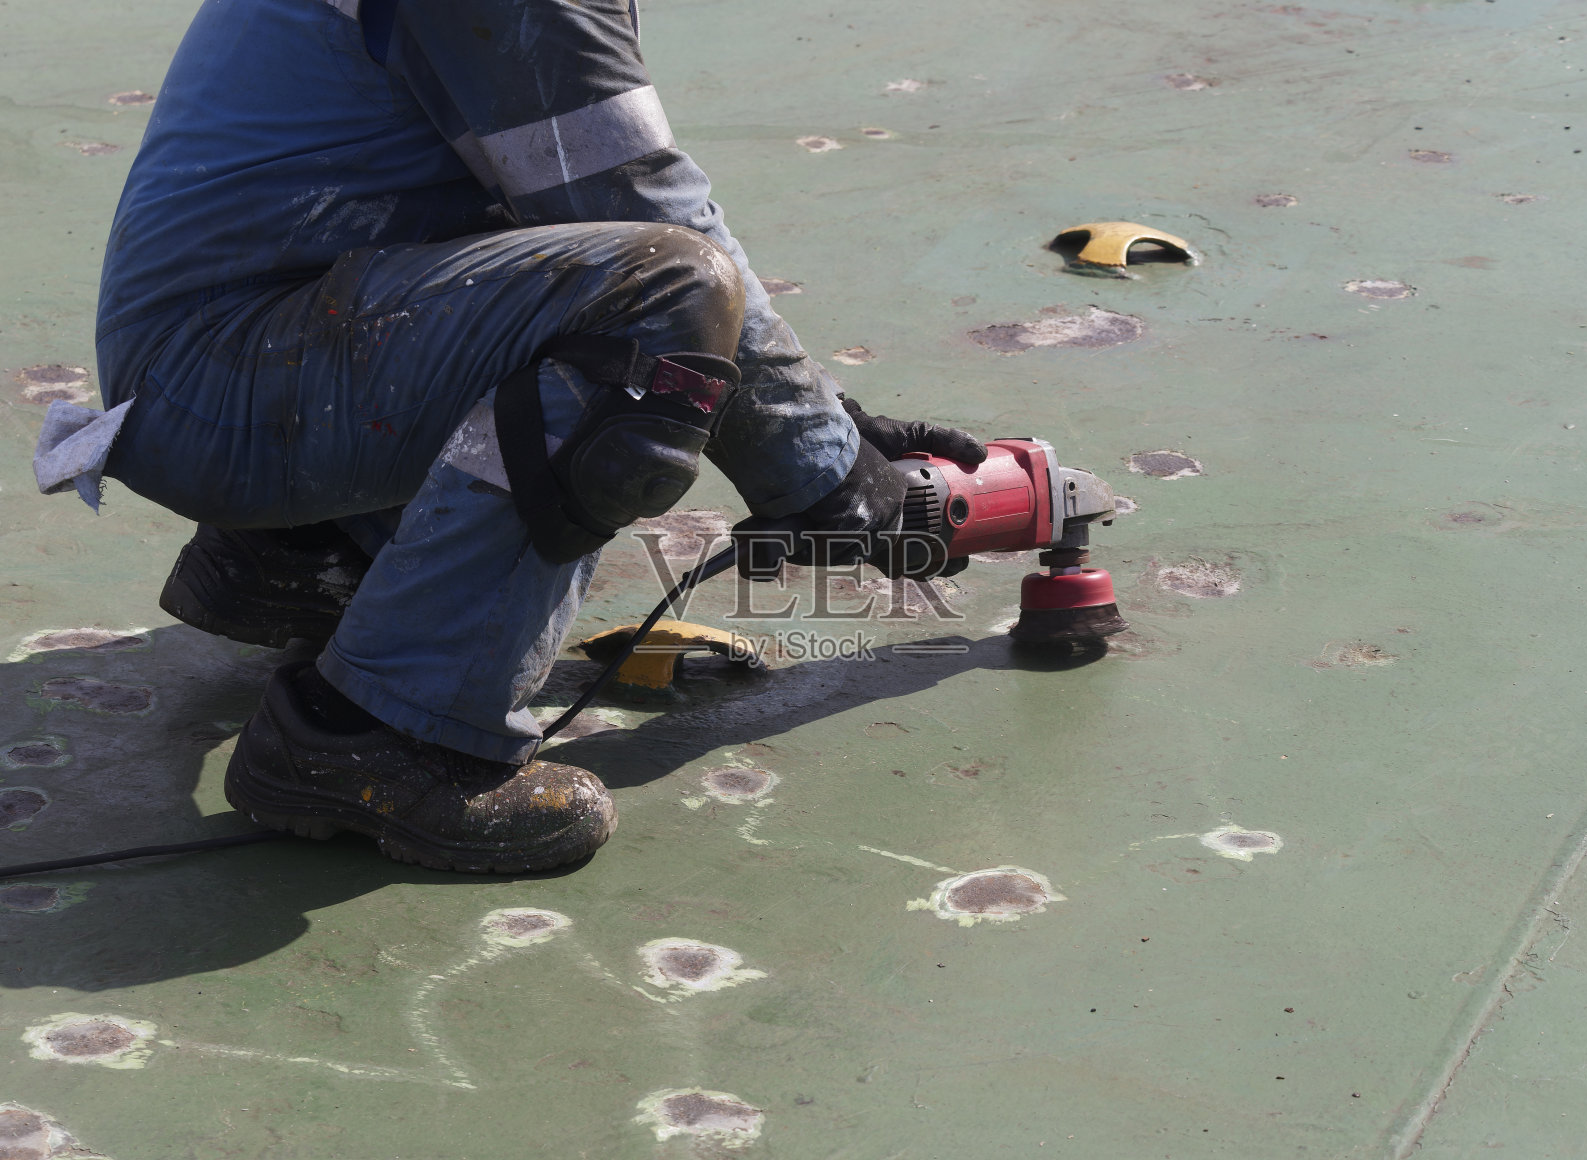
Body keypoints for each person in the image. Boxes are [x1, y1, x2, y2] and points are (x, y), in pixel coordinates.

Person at [34, 0, 985, 872]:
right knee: (657, 304)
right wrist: (827, 475)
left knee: (591, 266)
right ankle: (376, 732)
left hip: (238, 363)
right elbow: (640, 215)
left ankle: (308, 551)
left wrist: (831, 424)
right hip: (231, 391)